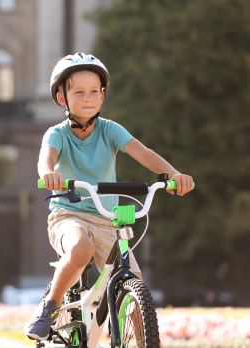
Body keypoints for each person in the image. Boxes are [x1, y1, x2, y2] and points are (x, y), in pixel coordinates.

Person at [23, 53, 194, 340]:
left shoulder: (110, 130)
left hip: (106, 219)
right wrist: (49, 173)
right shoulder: (57, 134)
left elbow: (144, 153)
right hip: (69, 213)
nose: (88, 98)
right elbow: (46, 160)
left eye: (94, 92)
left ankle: (142, 341)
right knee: (81, 250)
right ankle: (49, 306)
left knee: (137, 287)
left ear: (102, 96)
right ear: (62, 98)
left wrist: (173, 174)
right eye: (78, 92)